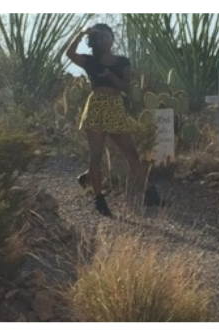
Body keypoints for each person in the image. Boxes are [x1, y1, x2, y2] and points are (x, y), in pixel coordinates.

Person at [66, 23, 161, 217]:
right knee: (96, 155)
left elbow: (126, 87)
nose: (104, 40)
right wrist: (81, 33)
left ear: (112, 37)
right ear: (95, 41)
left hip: (115, 106)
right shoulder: (90, 61)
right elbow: (70, 53)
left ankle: (151, 195)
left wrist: (110, 75)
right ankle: (99, 199)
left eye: (107, 35)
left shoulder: (122, 61)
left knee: (131, 153)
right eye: (99, 37)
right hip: (96, 106)